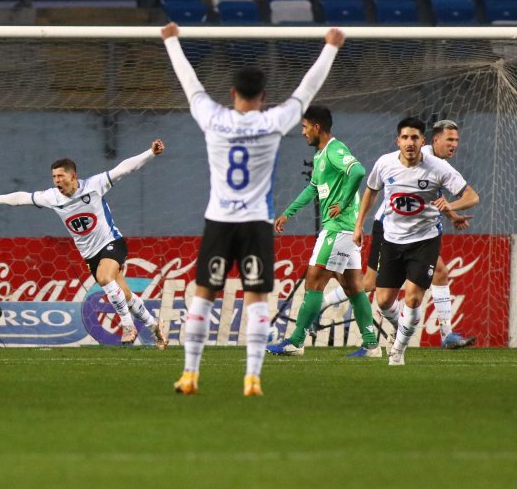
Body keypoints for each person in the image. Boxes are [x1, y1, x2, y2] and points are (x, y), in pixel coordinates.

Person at [162, 22, 345, 396]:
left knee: (203, 295)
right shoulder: (273, 122)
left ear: (232, 94)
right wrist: (330, 47)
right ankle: (252, 378)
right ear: (263, 96)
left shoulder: (213, 118)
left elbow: (190, 83)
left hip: (220, 221)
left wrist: (172, 42)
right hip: (256, 224)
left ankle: (190, 374)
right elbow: (307, 88)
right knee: (258, 299)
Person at [0, 140, 169, 349]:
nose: (57, 181)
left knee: (105, 279)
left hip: (112, 242)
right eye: (54, 177)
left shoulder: (94, 186)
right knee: (124, 295)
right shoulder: (52, 197)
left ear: (73, 176)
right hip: (90, 255)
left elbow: (123, 168)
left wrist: (150, 153)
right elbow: (23, 197)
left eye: (61, 176)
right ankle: (154, 327)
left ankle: (127, 326)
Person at [325, 119, 476, 349]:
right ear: (434, 140)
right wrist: (358, 225)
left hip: (417, 233)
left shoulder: (438, 166)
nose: (454, 145)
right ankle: (322, 304)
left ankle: (446, 334)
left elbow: (427, 200)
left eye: (457, 140)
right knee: (370, 283)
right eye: (450, 140)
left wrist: (452, 214)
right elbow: (381, 192)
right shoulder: (415, 154)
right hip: (387, 227)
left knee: (441, 273)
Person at [265, 105, 380, 358]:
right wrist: (288, 213)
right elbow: (312, 189)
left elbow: (358, 171)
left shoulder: (335, 150)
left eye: (305, 127)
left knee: (314, 281)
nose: (303, 132)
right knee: (353, 287)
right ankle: (371, 344)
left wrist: (345, 200)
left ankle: (296, 341)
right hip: (345, 231)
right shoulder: (319, 157)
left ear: (317, 127)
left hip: (337, 229)